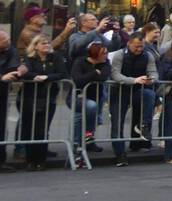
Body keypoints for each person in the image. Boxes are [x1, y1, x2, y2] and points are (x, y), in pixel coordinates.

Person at [16, 35, 67, 170]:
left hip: (48, 98)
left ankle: (41, 159)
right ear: (36, 46)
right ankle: (30, 160)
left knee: (42, 129)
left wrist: (47, 77)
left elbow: (62, 73)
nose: (46, 45)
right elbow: (24, 73)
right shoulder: (30, 58)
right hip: (29, 97)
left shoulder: (55, 57)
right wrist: (34, 76)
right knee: (28, 129)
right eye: (43, 43)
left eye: (48, 43)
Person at [108, 32, 159, 165]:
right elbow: (115, 75)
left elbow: (153, 72)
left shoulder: (147, 55)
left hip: (138, 90)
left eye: (141, 46)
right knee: (117, 123)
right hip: (119, 91)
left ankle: (143, 125)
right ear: (129, 43)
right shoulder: (119, 55)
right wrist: (134, 80)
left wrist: (151, 80)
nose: (139, 49)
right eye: (136, 46)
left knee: (150, 95)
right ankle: (120, 155)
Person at [70, 42, 111, 163]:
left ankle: (87, 139)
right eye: (103, 53)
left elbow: (103, 76)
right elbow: (77, 80)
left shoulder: (105, 63)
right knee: (86, 111)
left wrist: (91, 76)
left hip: (96, 96)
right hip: (77, 96)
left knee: (89, 115)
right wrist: (94, 73)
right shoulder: (80, 61)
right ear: (95, 54)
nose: (106, 55)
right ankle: (80, 142)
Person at [0, 30, 20, 172]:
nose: (8, 42)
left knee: (1, 127)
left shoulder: (10, 50)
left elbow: (14, 66)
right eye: (4, 41)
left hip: (2, 93)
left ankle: (1, 160)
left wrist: (20, 71)